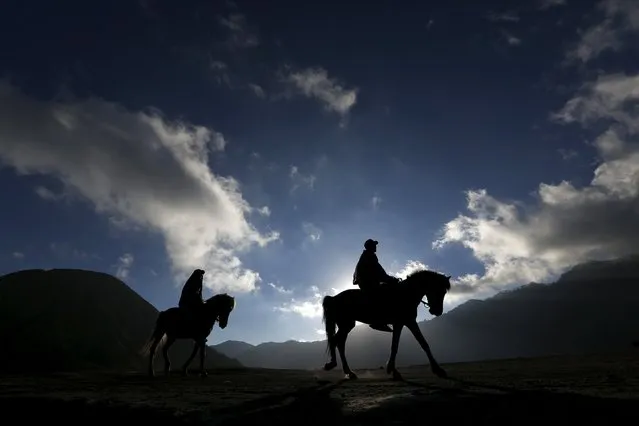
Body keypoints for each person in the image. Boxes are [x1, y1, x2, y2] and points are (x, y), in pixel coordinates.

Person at [352, 239, 400, 332]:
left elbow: (379, 272)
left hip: (366, 281)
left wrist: (388, 279)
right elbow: (378, 271)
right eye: (374, 245)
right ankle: (378, 322)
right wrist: (390, 279)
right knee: (384, 294)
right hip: (368, 282)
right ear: (370, 246)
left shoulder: (367, 255)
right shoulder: (370, 256)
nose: (375, 247)